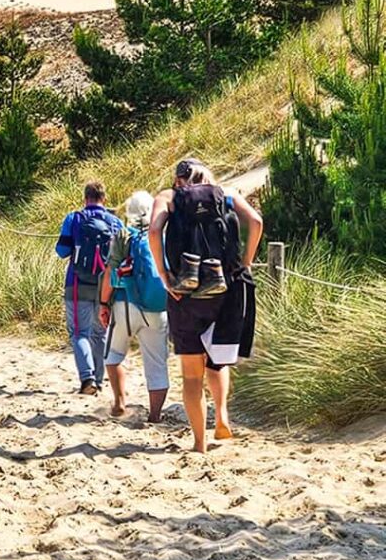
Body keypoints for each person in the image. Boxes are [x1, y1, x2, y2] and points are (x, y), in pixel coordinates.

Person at [148, 158, 262, 453]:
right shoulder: (227, 193)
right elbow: (256, 222)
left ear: (178, 180)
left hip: (185, 293)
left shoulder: (168, 197)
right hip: (227, 289)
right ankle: (222, 416)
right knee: (218, 360)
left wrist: (164, 274)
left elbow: (153, 231)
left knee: (191, 374)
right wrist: (245, 263)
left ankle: (199, 442)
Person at [98, 190, 169, 421]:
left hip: (125, 305)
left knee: (113, 354)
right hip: (158, 308)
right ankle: (155, 415)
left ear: (128, 213)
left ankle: (119, 402)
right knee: (157, 365)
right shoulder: (163, 235)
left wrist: (103, 303)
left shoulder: (123, 235)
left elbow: (110, 272)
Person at [55, 182, 124, 395]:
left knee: (78, 333)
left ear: (85, 198)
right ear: (104, 198)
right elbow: (121, 258)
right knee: (100, 333)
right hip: (106, 286)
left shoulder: (74, 219)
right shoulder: (115, 222)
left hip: (77, 284)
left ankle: (87, 379)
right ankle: (100, 381)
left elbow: (62, 251)